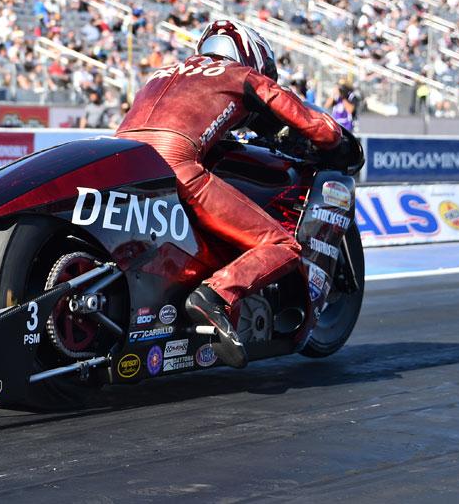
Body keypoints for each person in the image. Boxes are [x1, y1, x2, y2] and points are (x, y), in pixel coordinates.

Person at [115, 19, 342, 368]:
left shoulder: (162, 73)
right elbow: (318, 129)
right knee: (282, 245)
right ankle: (216, 295)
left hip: (127, 165)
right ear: (253, 58)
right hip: (177, 164)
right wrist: (335, 135)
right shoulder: (240, 74)